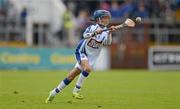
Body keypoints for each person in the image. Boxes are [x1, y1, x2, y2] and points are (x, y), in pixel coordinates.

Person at [45, 9, 117, 103]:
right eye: (104, 18)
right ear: (98, 19)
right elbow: (84, 35)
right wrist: (94, 32)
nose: (107, 20)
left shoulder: (106, 32)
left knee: (71, 76)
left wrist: (110, 33)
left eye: (108, 18)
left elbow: (107, 43)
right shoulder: (92, 27)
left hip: (91, 57)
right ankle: (76, 90)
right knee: (87, 69)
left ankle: (53, 92)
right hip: (82, 51)